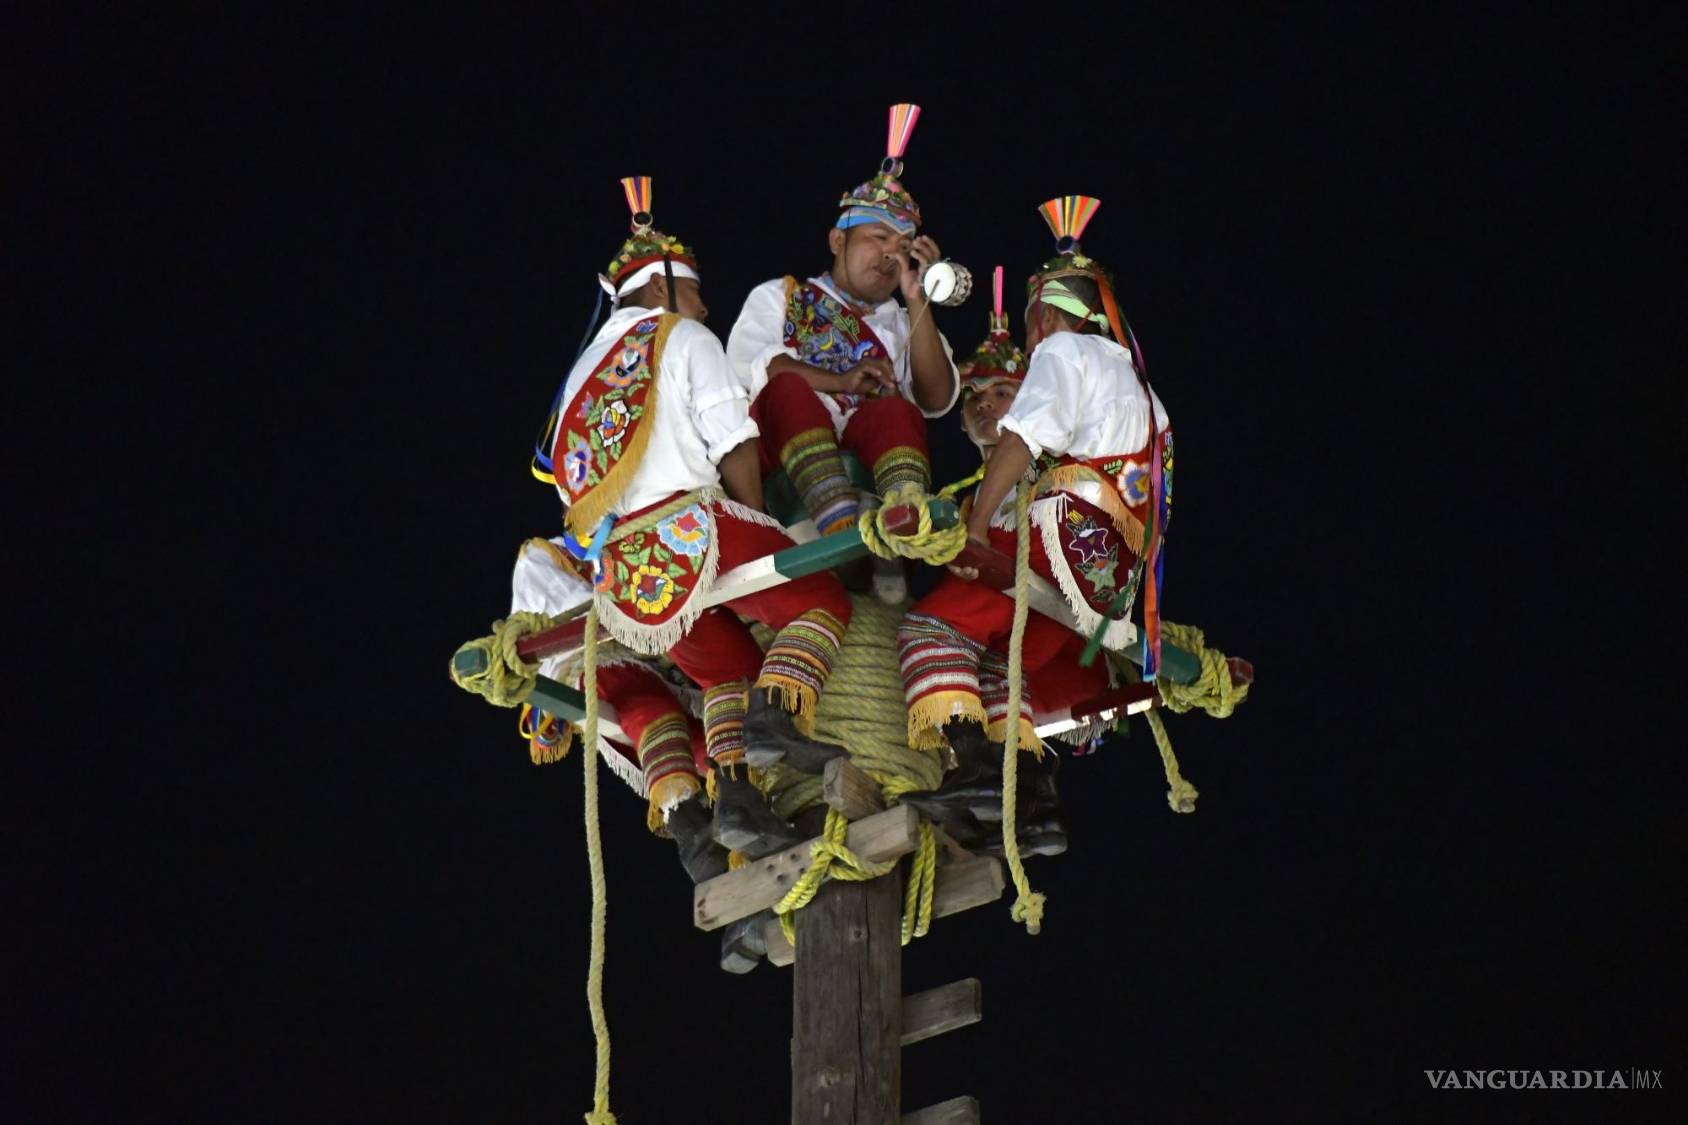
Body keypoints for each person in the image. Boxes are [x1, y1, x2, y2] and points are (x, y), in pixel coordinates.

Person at [538, 178, 854, 857]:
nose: (705, 301)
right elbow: (735, 440)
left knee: (724, 675)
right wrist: (760, 529)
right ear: (660, 290)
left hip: (625, 579)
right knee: (823, 598)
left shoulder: (575, 382)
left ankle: (736, 802)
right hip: (692, 529)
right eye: (696, 286)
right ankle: (776, 723)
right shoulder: (680, 336)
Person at [726, 104, 958, 601]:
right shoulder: (780, 296)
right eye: (878, 238)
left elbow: (936, 398)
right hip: (784, 458)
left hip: (864, 459)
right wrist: (842, 381)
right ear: (837, 239)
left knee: (896, 408)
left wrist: (917, 299)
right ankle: (838, 528)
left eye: (903, 246)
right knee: (786, 388)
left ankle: (900, 519)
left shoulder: (901, 320)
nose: (891, 256)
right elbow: (751, 368)